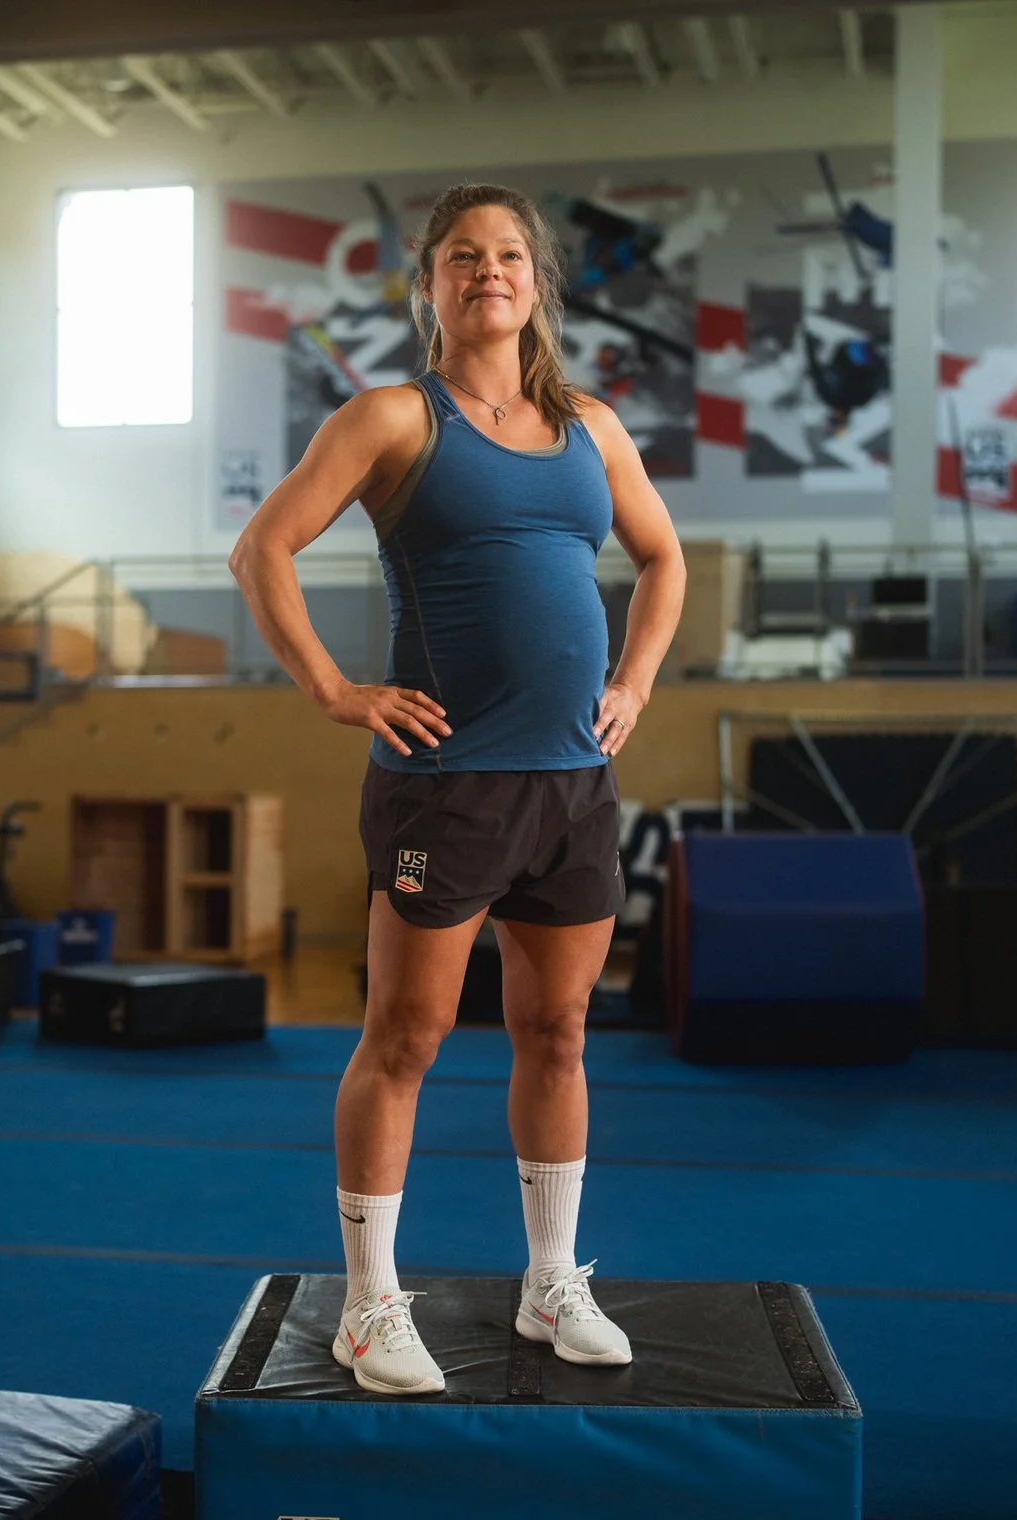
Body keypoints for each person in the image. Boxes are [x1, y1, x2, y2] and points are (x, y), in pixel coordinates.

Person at [229, 183, 686, 1396]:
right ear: (427, 284)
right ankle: (370, 1305)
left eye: (510, 255)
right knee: (407, 1037)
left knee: (559, 1029)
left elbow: (661, 554)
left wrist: (635, 677)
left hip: (575, 785)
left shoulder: (591, 424)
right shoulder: (393, 417)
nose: (490, 271)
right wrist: (334, 686)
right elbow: (261, 546)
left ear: (536, 280)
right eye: (463, 256)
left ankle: (549, 1281)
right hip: (450, 788)